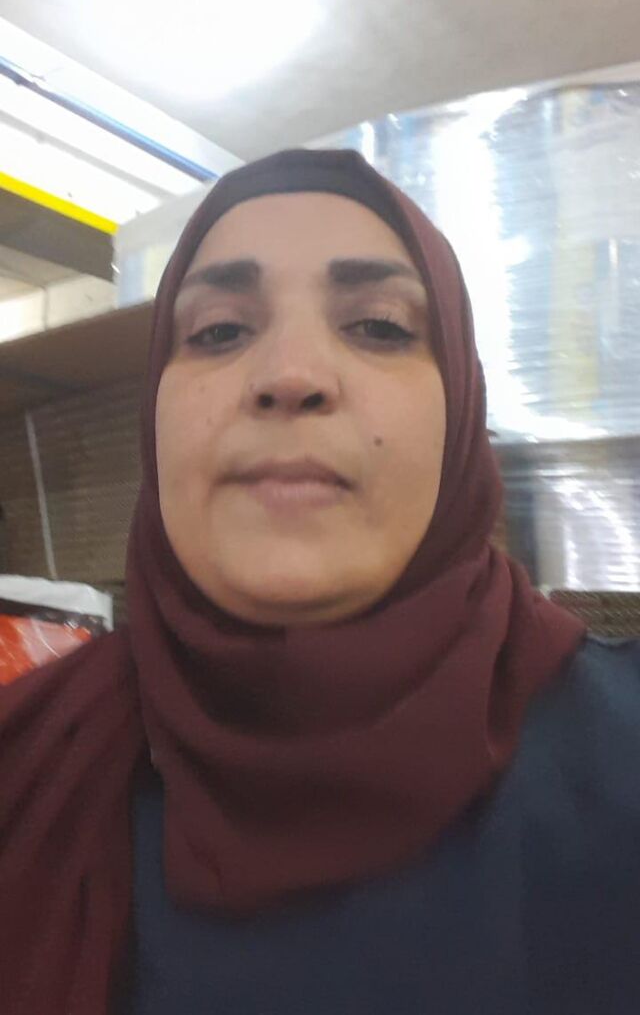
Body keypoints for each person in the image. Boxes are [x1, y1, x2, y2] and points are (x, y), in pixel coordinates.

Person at [1, 148, 639, 1015]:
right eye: (219, 331)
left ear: (461, 407)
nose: (290, 376)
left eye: (378, 325)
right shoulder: (27, 764)